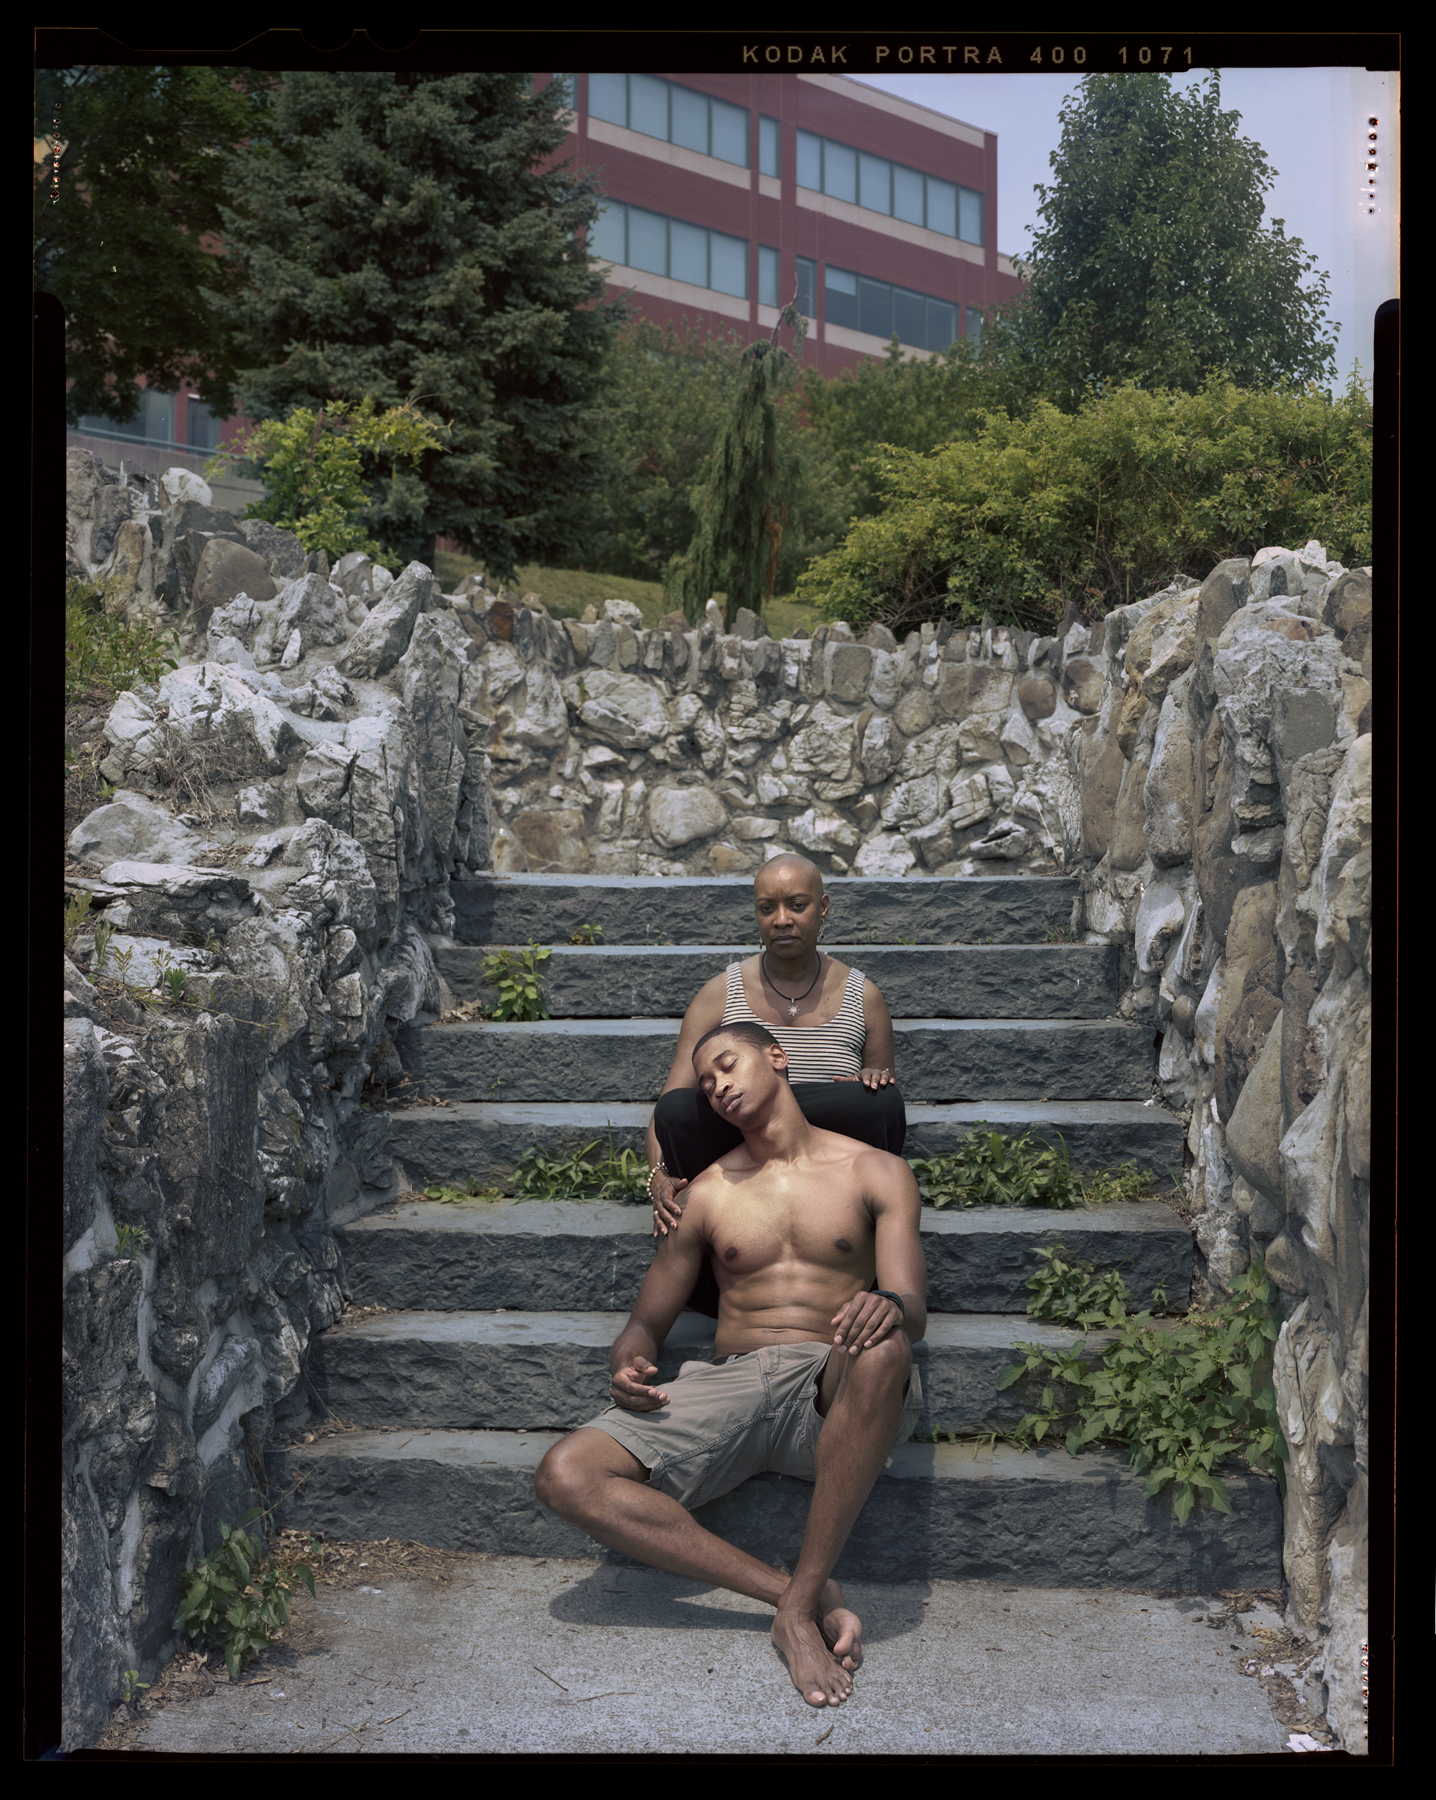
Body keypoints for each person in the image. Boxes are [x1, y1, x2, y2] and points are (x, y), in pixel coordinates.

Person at [535, 1019, 926, 1709]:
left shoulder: (876, 1171)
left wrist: (888, 1306)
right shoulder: (709, 1194)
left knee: (884, 1343)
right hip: (734, 1384)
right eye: (707, 1082)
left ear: (776, 1058)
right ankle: (797, 1598)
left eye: (726, 1066)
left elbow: (911, 1305)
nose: (716, 1087)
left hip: (833, 1385)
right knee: (566, 1475)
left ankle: (795, 1612)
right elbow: (643, 1326)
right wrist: (629, 1360)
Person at [646, 855, 907, 1313]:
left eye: (797, 905)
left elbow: (880, 1096)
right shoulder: (719, 993)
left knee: (880, 1103)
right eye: (767, 908)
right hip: (738, 1149)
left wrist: (871, 1079)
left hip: (831, 1171)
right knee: (678, 1111)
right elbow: (668, 1108)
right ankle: (721, 1258)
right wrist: (657, 1178)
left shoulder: (863, 996)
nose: (782, 920)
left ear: (823, 907)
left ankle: (852, 1249)